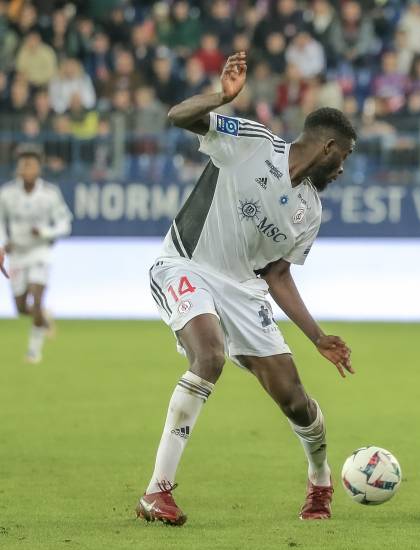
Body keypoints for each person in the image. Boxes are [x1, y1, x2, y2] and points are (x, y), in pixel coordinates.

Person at [136, 52, 356, 525]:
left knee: (295, 400)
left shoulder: (309, 212)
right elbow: (178, 117)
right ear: (329, 146)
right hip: (184, 264)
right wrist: (222, 97)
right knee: (208, 356)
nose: (342, 171)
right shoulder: (254, 142)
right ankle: (158, 491)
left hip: (244, 291)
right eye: (345, 158)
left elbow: (277, 275)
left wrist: (318, 337)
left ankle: (320, 479)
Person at [0, 145, 72, 364]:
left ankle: (33, 351)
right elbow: (1, 223)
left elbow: (65, 223)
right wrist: (3, 244)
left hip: (40, 251)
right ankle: (43, 318)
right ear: (19, 168)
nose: (27, 168)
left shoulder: (50, 193)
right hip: (18, 253)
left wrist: (44, 232)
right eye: (23, 164)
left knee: (37, 298)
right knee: (21, 307)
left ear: (38, 168)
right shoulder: (7, 193)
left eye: (31, 164)